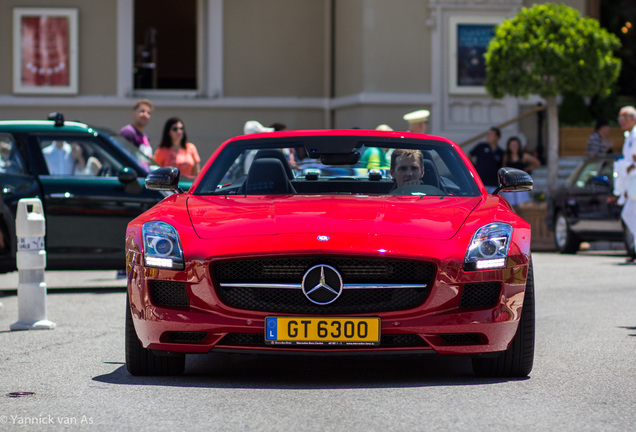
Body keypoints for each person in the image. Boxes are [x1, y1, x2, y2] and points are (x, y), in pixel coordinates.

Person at [615, 106, 636, 261]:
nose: (621, 123)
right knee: (628, 214)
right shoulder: (629, 135)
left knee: (628, 213)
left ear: (632, 119)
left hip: (634, 179)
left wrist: (628, 167)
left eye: (623, 119)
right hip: (631, 180)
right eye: (619, 120)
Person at [501, 136, 541, 211]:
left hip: (521, 183)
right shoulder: (506, 156)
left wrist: (526, 170)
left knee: (521, 205)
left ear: (519, 146)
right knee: (510, 205)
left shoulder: (523, 156)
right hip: (509, 184)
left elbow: (537, 163)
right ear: (509, 146)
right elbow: (503, 168)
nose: (514, 147)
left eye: (515, 145)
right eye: (512, 145)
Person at [469, 127, 504, 193]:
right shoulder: (481, 146)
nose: (488, 136)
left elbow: (502, 167)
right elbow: (469, 156)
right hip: (480, 183)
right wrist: (473, 167)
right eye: (488, 134)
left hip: (494, 184)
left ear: (496, 137)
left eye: (491, 135)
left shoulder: (501, 152)